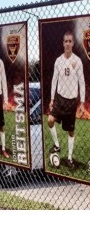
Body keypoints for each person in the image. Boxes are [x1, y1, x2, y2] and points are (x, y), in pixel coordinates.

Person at [48, 31, 85, 168]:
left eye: (70, 41)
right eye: (66, 41)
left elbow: (82, 82)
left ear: (73, 43)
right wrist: (52, 99)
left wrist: (82, 102)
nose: (68, 43)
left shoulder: (77, 61)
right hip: (59, 98)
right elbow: (54, 80)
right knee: (50, 120)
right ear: (63, 43)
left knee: (71, 131)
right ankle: (57, 145)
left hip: (71, 101)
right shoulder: (58, 60)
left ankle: (69, 158)